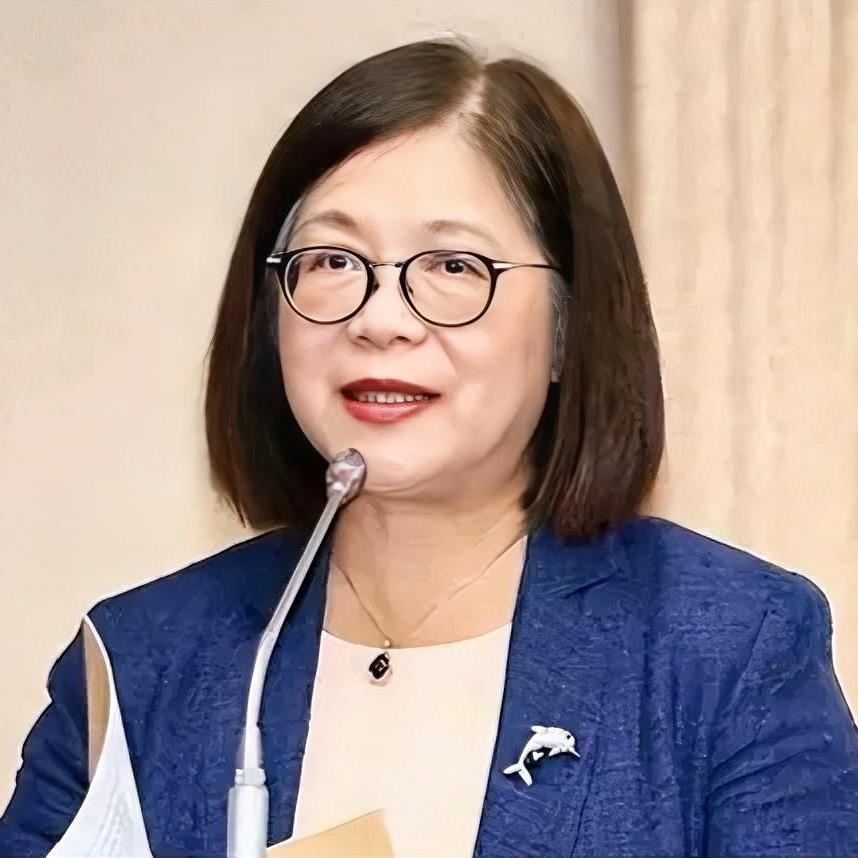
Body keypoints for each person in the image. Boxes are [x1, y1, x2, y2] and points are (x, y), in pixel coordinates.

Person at [1, 34, 857, 858]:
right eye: (333, 261)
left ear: (569, 329)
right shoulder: (138, 667)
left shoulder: (727, 650)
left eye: (453, 267)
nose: (380, 320)